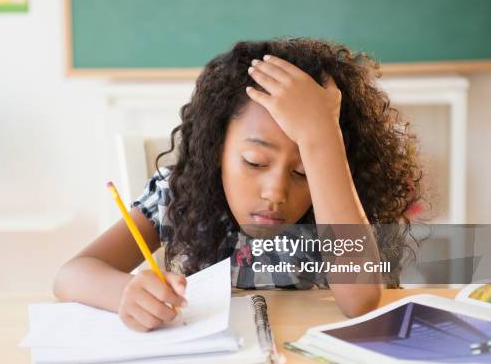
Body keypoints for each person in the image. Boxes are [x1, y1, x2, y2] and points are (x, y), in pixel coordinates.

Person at [54, 38, 422, 332]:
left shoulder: (337, 199)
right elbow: (71, 274)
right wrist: (126, 293)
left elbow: (359, 301)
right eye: (255, 162)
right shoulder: (176, 196)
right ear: (216, 150)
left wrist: (321, 138)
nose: (275, 193)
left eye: (304, 172)